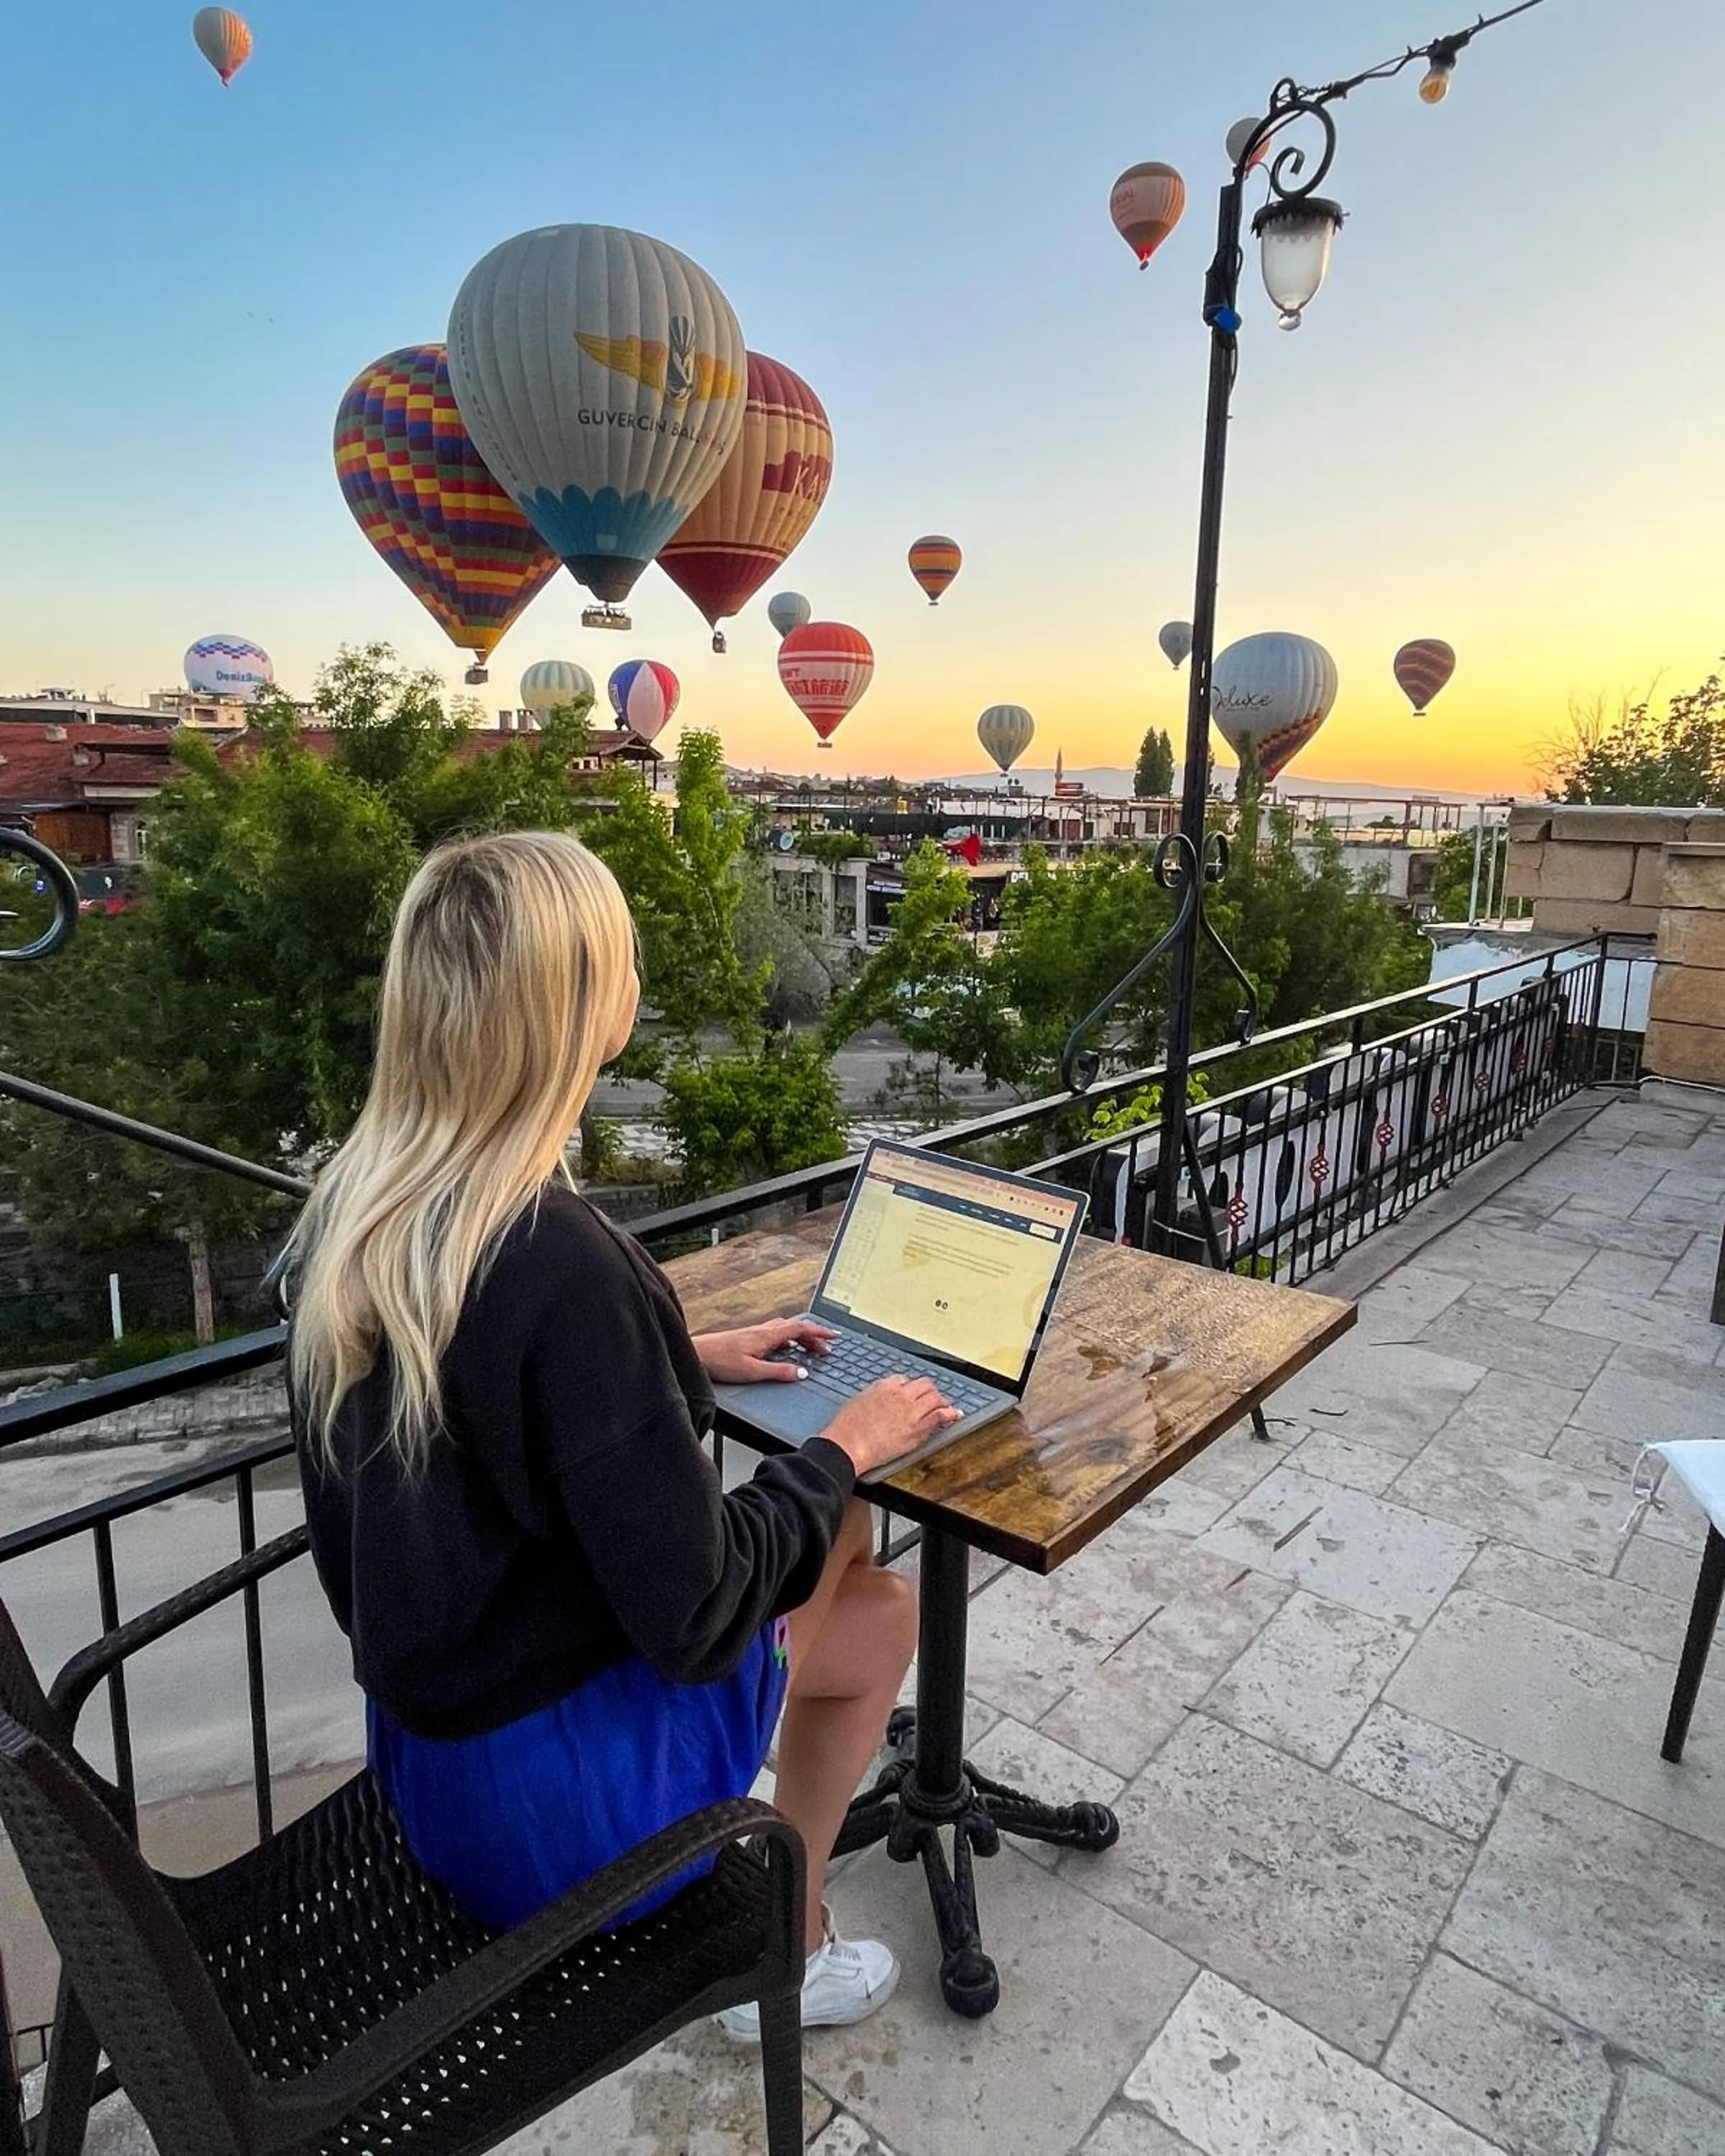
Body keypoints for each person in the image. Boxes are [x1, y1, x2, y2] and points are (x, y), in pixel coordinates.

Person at [285, 831, 956, 2037]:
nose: (637, 982)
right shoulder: (565, 1264)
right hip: (567, 1835)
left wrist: (675, 1362)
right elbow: (696, 1622)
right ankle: (775, 1949)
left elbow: (477, 1398)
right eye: (620, 958)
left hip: (434, 1774)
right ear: (576, 1007)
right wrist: (848, 1441)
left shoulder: (369, 1216)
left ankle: (781, 1927)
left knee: (843, 1566)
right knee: (878, 1597)